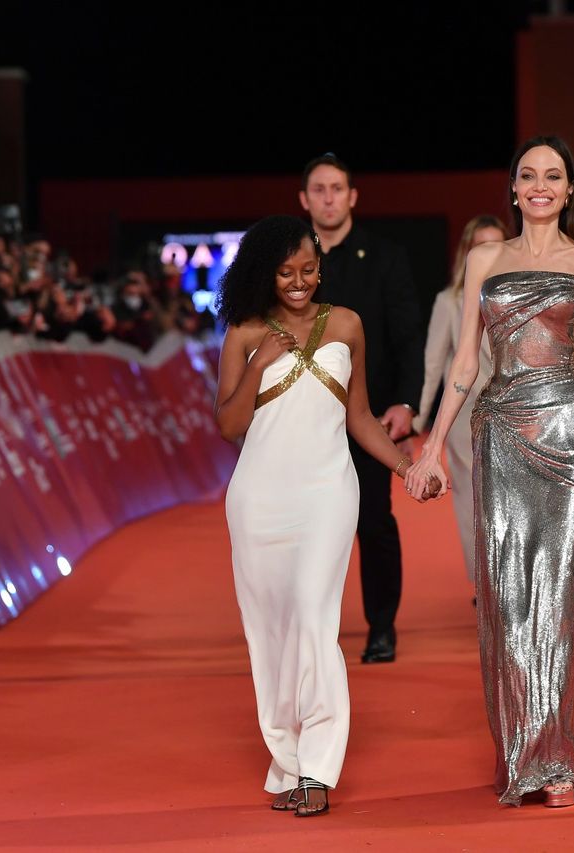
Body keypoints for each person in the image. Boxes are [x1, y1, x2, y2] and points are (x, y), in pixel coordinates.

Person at [405, 136, 574, 808]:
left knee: (561, 594)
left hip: (568, 432)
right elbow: (462, 367)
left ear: (570, 190)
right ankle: (521, 749)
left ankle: (559, 758)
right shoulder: (486, 258)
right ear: (512, 188)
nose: (540, 186)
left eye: (554, 176)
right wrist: (430, 449)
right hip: (499, 433)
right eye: (528, 176)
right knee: (508, 596)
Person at [214, 215, 427, 818]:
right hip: (258, 499)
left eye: (309, 269)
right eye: (286, 272)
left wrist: (405, 468)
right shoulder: (244, 331)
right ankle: (285, 759)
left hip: (329, 492)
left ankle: (318, 766)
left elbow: (359, 417)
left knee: (314, 618)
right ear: (264, 273)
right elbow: (229, 426)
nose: (300, 281)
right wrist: (259, 362)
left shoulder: (348, 324)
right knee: (271, 636)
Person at [300, 153, 424, 664]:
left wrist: (406, 402)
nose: (328, 197)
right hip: (303, 419)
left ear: (352, 196)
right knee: (307, 528)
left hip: (368, 417)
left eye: (337, 188)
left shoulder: (385, 257)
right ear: (304, 200)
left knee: (373, 521)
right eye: (319, 189)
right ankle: (311, 630)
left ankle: (381, 627)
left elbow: (407, 336)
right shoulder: (290, 261)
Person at [414, 215, 507, 589]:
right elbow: (434, 364)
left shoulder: (523, 294)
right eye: (479, 246)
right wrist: (418, 420)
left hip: (516, 412)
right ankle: (484, 586)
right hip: (466, 416)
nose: (488, 255)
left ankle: (513, 582)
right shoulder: (448, 301)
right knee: (473, 503)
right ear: (466, 253)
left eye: (496, 246)